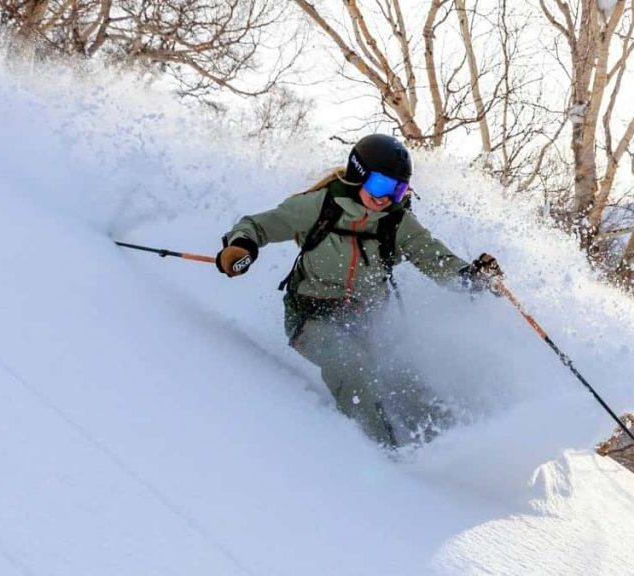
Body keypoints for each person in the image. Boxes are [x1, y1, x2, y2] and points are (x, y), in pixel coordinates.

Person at [215, 134, 503, 448]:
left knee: (406, 378)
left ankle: (456, 450)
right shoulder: (319, 206)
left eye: (397, 189)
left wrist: (472, 277)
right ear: (358, 175)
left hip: (367, 321)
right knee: (350, 363)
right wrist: (240, 247)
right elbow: (259, 226)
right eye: (380, 185)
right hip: (312, 316)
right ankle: (382, 455)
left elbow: (434, 258)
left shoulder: (397, 223)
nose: (385, 198)